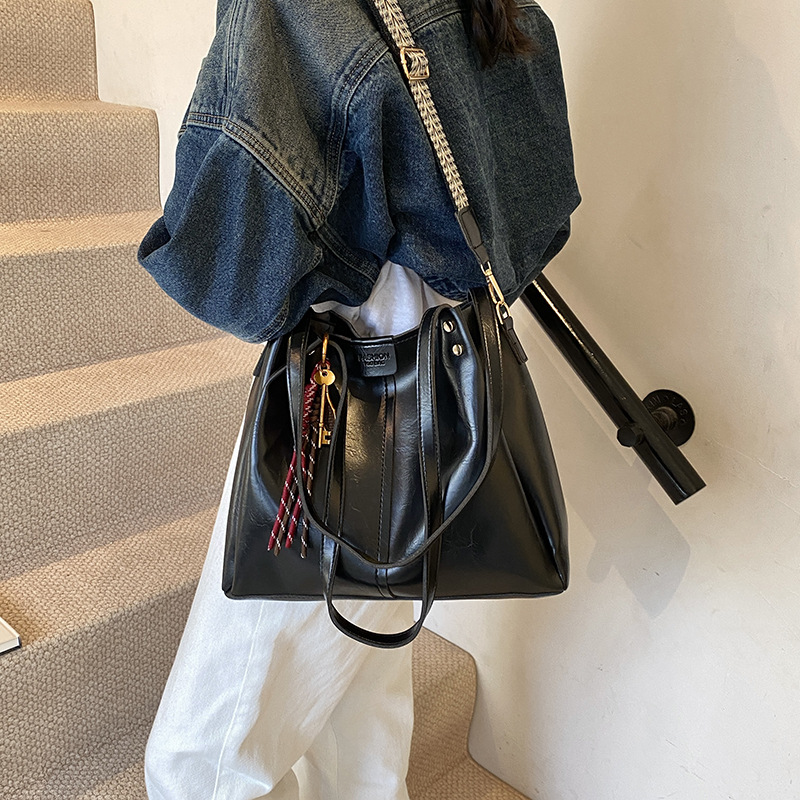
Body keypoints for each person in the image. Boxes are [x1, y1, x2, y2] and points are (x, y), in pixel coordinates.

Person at [137, 0, 580, 797]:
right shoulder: (505, 9)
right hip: (446, 389)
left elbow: (236, 267)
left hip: (343, 396)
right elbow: (540, 208)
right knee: (360, 729)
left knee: (200, 760)